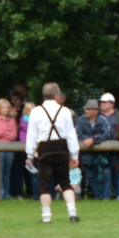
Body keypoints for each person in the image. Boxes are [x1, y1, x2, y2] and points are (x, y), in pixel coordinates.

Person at [25, 82, 80, 223]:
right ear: (56, 94)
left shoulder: (36, 111)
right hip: (62, 147)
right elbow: (71, 135)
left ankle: (46, 216)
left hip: (44, 149)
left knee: (44, 183)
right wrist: (74, 155)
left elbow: (31, 135)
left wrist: (29, 155)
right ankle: (72, 213)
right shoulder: (65, 111)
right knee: (65, 182)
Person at [76, 97, 115, 200]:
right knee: (90, 176)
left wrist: (93, 139)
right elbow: (78, 133)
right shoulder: (81, 120)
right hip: (87, 156)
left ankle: (106, 195)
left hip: (102, 156)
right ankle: (97, 195)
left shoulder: (103, 120)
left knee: (106, 174)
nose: (86, 111)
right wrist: (86, 139)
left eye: (89, 109)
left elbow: (107, 133)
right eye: (86, 109)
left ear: (95, 110)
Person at [0, 99, 18, 198]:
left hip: (9, 149)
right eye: (3, 107)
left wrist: (2, 133)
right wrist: (6, 133)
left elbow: (13, 136)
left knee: (7, 173)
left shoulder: (12, 121)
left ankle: (6, 193)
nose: (5, 109)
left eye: (7, 107)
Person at [96, 92, 119, 199]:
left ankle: (117, 193)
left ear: (112, 104)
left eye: (104, 102)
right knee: (103, 172)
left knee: (117, 171)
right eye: (101, 102)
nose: (102, 104)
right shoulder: (97, 115)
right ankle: (104, 194)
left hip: (117, 150)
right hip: (100, 149)